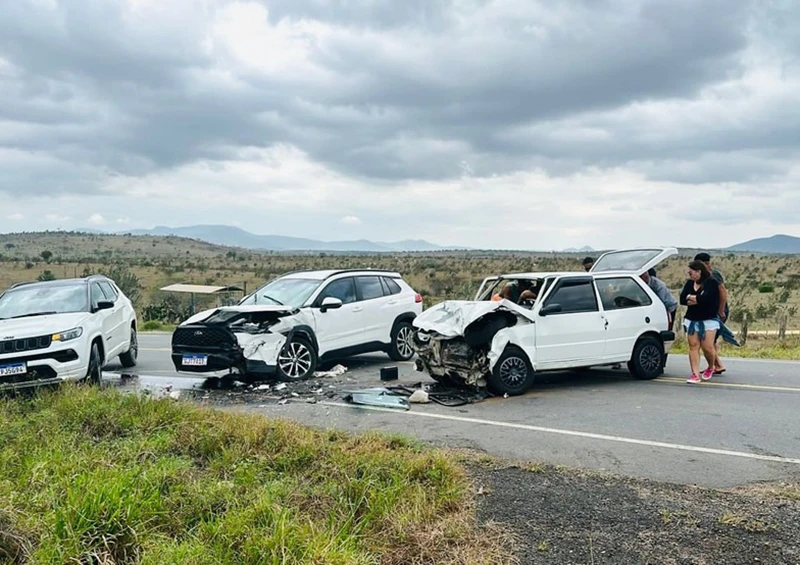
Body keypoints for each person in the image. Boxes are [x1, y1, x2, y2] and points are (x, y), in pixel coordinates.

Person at [680, 260, 721, 384]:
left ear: (699, 272)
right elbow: (682, 299)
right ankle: (695, 374)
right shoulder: (689, 283)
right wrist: (694, 298)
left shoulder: (711, 282)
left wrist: (693, 298)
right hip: (692, 319)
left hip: (708, 319)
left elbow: (708, 299)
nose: (689, 275)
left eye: (691, 272)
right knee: (693, 346)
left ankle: (710, 366)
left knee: (707, 347)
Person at [694, 252, 728, 374]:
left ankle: (717, 365)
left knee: (707, 340)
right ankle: (715, 365)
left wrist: (721, 309)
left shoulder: (713, 275)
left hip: (717, 310)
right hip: (710, 310)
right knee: (710, 340)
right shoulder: (703, 276)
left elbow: (722, 291)